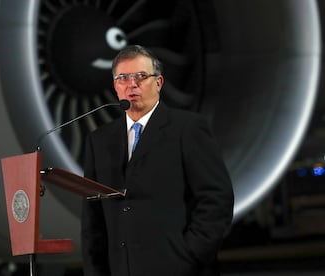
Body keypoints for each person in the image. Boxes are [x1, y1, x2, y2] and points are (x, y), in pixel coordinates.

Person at [81, 45, 234, 276]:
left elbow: (216, 199)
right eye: (123, 78)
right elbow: (93, 219)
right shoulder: (99, 141)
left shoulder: (188, 128)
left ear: (159, 83)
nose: (132, 84)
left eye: (141, 76)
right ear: (115, 86)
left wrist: (188, 255)